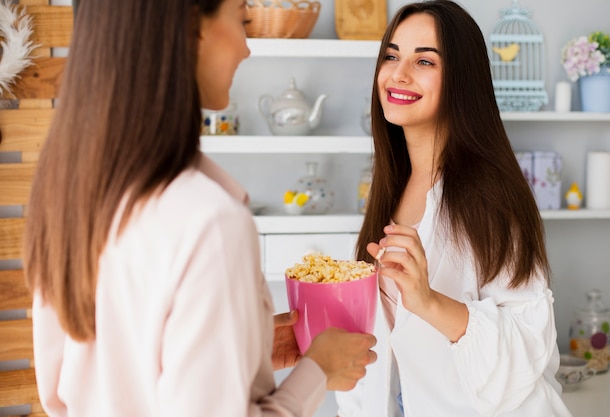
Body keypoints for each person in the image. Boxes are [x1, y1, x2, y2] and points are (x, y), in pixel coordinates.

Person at [23, 1, 377, 416]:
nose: (247, 48)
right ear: (192, 27)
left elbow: (80, 384)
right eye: (241, 19)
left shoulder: (66, 193)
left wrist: (249, 350)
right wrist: (319, 370)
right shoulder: (210, 221)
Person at [336, 1, 572, 416]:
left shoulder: (492, 195)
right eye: (391, 55)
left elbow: (527, 346)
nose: (399, 73)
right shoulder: (391, 188)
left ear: (462, 80)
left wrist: (427, 301)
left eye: (424, 60)